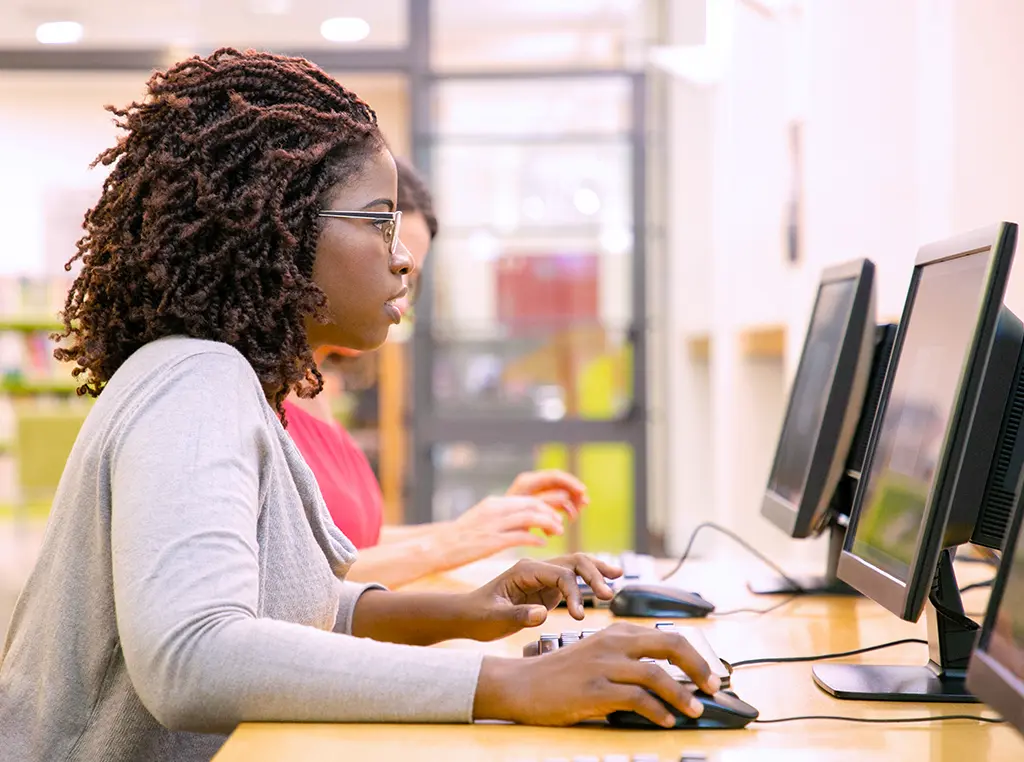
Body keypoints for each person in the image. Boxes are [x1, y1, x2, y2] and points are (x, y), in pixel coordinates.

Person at [0, 49, 718, 762]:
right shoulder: (197, 383)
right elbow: (196, 654)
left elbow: (283, 609)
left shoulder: (239, 389)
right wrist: (509, 683)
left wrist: (461, 613)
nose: (403, 256)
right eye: (380, 221)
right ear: (275, 229)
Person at [283, 157, 587, 587]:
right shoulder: (252, 394)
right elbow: (295, 582)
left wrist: (482, 526)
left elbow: (350, 546)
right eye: (389, 253)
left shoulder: (312, 386)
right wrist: (452, 542)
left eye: (412, 273)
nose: (402, 290)